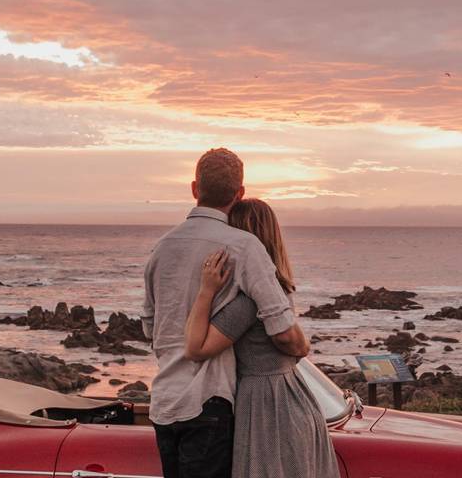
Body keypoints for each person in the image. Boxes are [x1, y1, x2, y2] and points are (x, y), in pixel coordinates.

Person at [142, 148, 310, 478]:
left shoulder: (161, 248)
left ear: (194, 189)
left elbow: (150, 329)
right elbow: (281, 327)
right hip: (210, 400)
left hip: (164, 402)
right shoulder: (244, 247)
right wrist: (300, 348)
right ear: (239, 193)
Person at [184, 199, 338, 478]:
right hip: (294, 395)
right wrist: (302, 347)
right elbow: (291, 341)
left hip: (266, 403)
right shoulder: (276, 289)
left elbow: (197, 348)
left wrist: (206, 290)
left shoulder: (248, 302)